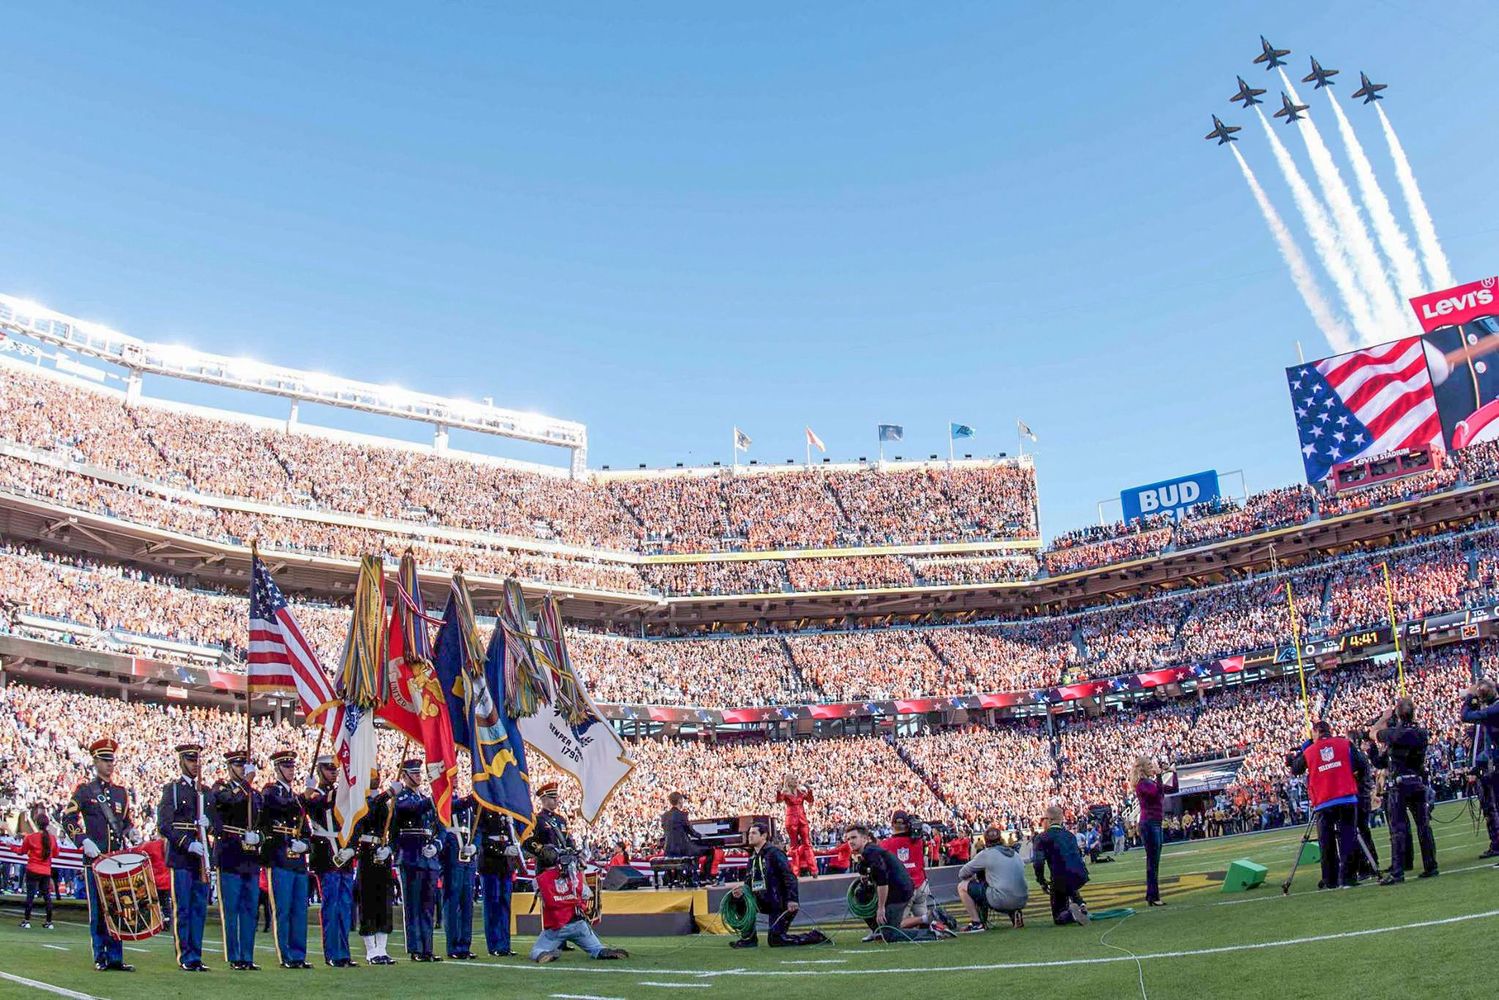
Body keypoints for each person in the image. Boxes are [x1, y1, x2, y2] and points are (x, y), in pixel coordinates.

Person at [61, 736, 136, 972]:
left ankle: (116, 956)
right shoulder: (85, 791)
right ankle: (100, 955)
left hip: (116, 860)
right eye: (104, 760)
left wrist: (131, 832)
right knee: (98, 911)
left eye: (111, 760)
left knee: (118, 908)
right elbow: (68, 818)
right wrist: (82, 841)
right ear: (95, 762)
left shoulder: (121, 793)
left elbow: (125, 822)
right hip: (95, 860)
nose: (109, 765)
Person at [1288, 720, 1370, 890]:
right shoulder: (1345, 744)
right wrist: (1353, 778)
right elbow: (1362, 764)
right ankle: (1348, 878)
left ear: (1316, 732)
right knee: (1348, 837)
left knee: (1327, 842)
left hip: (1324, 801)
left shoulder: (1310, 751)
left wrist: (1300, 753)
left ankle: (1330, 879)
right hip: (1346, 797)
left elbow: (1295, 769)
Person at [155, 742, 212, 971]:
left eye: (197, 760)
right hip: (181, 856)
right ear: (181, 761)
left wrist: (210, 824)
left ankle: (196, 955)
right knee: (184, 908)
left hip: (201, 859)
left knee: (199, 908)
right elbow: (165, 824)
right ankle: (185, 956)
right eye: (190, 760)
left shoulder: (205, 792)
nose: (195, 765)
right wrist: (187, 844)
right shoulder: (174, 790)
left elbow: (216, 822)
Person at [728, 821, 828, 949]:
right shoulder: (753, 857)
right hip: (762, 899)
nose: (750, 836)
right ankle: (748, 939)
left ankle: (814, 936)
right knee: (740, 901)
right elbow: (749, 881)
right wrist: (742, 891)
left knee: (776, 940)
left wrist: (792, 899)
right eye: (749, 833)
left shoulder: (774, 853)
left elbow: (789, 877)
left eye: (753, 833)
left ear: (764, 836)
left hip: (779, 902)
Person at [1373, 698, 1439, 884]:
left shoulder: (1396, 734)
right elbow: (1382, 760)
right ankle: (1430, 865)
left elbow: (1374, 733)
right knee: (1423, 826)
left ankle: (1398, 872)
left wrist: (1383, 718)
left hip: (1400, 785)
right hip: (1417, 781)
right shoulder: (1421, 733)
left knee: (1398, 829)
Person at [210, 748, 264, 971]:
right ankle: (234, 956)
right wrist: (246, 784)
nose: (242, 769)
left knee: (250, 909)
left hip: (250, 856)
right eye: (238, 765)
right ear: (229, 767)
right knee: (231, 908)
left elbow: (262, 822)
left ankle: (247, 955)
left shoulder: (255, 794)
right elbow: (228, 802)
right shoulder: (220, 788)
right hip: (230, 854)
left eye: (244, 765)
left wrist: (258, 836)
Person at [529, 845, 629, 963]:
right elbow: (586, 894)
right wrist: (580, 871)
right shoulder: (572, 875)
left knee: (536, 950)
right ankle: (602, 951)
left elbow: (544, 893)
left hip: (556, 926)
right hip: (578, 923)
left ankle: (545, 954)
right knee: (596, 948)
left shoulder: (539, 880)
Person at [304, 755, 358, 967]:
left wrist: (351, 848)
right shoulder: (317, 795)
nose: (334, 772)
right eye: (329, 769)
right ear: (319, 771)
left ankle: (344, 953)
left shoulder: (341, 794)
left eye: (336, 769)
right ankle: (332, 953)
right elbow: (313, 806)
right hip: (326, 856)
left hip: (343, 855)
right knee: (331, 906)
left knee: (345, 906)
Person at [263, 749, 313, 969]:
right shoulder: (271, 791)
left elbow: (307, 831)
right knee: (283, 909)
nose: (291, 771)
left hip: (297, 860)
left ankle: (298, 954)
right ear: (277, 769)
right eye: (286, 767)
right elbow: (280, 806)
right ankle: (286, 955)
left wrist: (305, 844)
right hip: (280, 856)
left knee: (299, 910)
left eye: (293, 767)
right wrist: (304, 796)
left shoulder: (295, 797)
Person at [392, 758, 442, 962]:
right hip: (411, 856)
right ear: (404, 776)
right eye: (414, 773)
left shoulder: (423, 797)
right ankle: (415, 948)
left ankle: (427, 948)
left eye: (419, 773)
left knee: (428, 906)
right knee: (413, 906)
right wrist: (435, 796)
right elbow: (412, 810)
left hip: (427, 857)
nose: (418, 776)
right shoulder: (402, 797)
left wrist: (435, 845)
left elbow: (436, 823)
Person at [844, 825, 923, 942]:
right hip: (896, 889)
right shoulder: (868, 852)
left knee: (890, 933)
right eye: (848, 839)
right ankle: (877, 931)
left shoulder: (870, 852)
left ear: (865, 839)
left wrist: (881, 908)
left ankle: (932, 931)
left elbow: (883, 881)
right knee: (861, 893)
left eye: (854, 838)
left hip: (899, 892)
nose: (850, 841)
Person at [880, 811, 952, 932]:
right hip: (921, 885)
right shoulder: (918, 841)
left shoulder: (885, 844)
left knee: (895, 925)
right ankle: (935, 923)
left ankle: (926, 919)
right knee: (924, 920)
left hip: (903, 888)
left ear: (892, 824)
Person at [353, 770, 397, 965]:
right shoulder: (361, 799)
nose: (375, 775)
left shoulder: (385, 803)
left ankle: (382, 949)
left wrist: (389, 848)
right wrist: (388, 793)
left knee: (384, 901)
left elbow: (393, 830)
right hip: (366, 851)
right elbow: (365, 811)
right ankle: (371, 950)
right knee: (368, 900)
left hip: (382, 851)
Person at [956, 827, 1028, 932]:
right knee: (1004, 883)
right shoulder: (1015, 854)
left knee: (962, 886)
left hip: (1001, 899)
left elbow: (962, 873)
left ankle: (977, 923)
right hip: (1022, 899)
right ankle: (1014, 913)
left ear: (985, 840)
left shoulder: (986, 854)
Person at [474, 803, 520, 957]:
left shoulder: (506, 810)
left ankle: (505, 944)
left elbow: (509, 835)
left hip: (505, 864)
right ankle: (494, 944)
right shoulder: (483, 808)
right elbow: (480, 837)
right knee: (492, 905)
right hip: (490, 863)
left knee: (505, 904)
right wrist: (502, 849)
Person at [1031, 805, 1090, 925]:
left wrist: (1041, 881)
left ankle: (1071, 914)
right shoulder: (1070, 836)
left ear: (1049, 820)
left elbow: (1038, 863)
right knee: (1068, 881)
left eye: (1043, 819)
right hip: (1080, 875)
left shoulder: (1042, 838)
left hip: (1060, 878)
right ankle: (1079, 902)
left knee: (1058, 916)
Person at [1131, 756, 1177, 907]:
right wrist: (1159, 775)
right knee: (1152, 861)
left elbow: (1172, 789)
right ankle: (1153, 895)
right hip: (1149, 823)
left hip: (1155, 822)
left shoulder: (1150, 782)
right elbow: (1156, 794)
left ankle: (1152, 895)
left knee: (1154, 860)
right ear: (1143, 768)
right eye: (1150, 765)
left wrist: (1173, 773)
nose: (1153, 767)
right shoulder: (1142, 784)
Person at [1461, 679, 1499, 859]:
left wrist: (1469, 697)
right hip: (1490, 764)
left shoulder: (1492, 711)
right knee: (1492, 807)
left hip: (1495, 765)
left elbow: (1466, 715)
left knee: (1494, 808)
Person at [440, 795, 479, 960]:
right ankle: (453, 945)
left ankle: (465, 944)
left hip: (468, 860)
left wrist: (475, 845)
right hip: (452, 858)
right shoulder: (445, 801)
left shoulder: (468, 807)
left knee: (467, 904)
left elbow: (477, 829)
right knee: (452, 904)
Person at [19, 805, 60, 930]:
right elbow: (56, 853)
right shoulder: (52, 838)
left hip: (33, 868)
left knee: (30, 895)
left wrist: (11, 847)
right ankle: (49, 921)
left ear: (36, 823)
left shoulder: (31, 837)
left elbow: (22, 851)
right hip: (46, 870)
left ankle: (26, 920)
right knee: (47, 896)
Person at [661, 791, 714, 885]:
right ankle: (705, 877)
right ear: (680, 801)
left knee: (694, 849)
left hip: (668, 849)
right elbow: (690, 831)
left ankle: (690, 876)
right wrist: (702, 836)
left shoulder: (664, 816)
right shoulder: (682, 815)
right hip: (682, 849)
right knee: (710, 851)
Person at [776, 778, 817, 877]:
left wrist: (810, 790)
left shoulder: (801, 792)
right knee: (794, 846)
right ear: (789, 782)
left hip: (802, 819)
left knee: (807, 844)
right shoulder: (785, 793)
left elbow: (810, 800)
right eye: (793, 779)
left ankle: (814, 870)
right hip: (791, 820)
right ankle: (795, 872)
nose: (796, 781)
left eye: (796, 779)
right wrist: (778, 791)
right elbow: (779, 800)